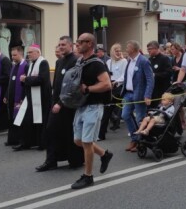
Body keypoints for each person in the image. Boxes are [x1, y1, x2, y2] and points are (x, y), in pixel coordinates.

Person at [71, 33, 113, 190]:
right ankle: (104, 154)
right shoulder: (80, 61)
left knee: (87, 142)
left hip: (93, 106)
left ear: (89, 44)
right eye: (77, 42)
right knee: (78, 140)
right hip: (81, 106)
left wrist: (88, 88)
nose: (77, 44)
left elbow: (107, 84)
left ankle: (88, 176)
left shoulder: (97, 63)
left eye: (80, 42)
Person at [36, 36, 84, 172]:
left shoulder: (76, 62)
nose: (61, 47)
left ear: (70, 45)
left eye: (63, 44)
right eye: (59, 45)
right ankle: (51, 161)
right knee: (51, 131)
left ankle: (76, 160)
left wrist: (61, 103)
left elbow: (72, 86)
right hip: (56, 104)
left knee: (70, 133)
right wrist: (54, 101)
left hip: (68, 104)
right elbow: (56, 86)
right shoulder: (59, 62)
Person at [12, 45, 51, 151]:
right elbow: (28, 80)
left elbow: (42, 79)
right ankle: (26, 143)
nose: (28, 55)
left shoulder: (43, 63)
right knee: (26, 121)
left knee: (40, 122)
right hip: (30, 98)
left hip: (41, 98)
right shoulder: (31, 64)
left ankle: (42, 143)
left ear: (38, 52)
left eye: (31, 52)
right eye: (28, 53)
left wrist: (26, 79)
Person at [121, 40, 154, 152]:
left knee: (140, 118)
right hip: (128, 93)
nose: (126, 49)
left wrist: (147, 95)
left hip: (139, 94)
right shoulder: (129, 60)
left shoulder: (143, 61)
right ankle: (135, 139)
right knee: (125, 115)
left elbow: (150, 79)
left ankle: (140, 142)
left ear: (134, 49)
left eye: (128, 47)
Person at [4, 46, 28, 146]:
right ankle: (12, 139)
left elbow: (26, 84)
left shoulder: (26, 65)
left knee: (18, 119)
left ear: (21, 54)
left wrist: (23, 98)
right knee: (11, 119)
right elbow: (10, 82)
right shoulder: (13, 66)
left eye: (15, 55)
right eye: (11, 55)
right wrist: (6, 95)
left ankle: (19, 140)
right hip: (11, 97)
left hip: (19, 98)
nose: (12, 57)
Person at [104, 43, 127, 134]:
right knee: (108, 107)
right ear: (112, 52)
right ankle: (109, 124)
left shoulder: (124, 61)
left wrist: (116, 81)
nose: (118, 53)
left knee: (118, 106)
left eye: (119, 51)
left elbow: (124, 75)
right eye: (116, 51)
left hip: (118, 86)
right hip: (109, 86)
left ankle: (116, 123)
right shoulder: (108, 62)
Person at [147, 40, 172, 109]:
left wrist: (155, 75)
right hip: (152, 90)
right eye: (147, 49)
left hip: (162, 89)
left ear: (156, 48)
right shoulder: (149, 60)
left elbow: (169, 72)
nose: (148, 51)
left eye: (150, 49)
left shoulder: (165, 59)